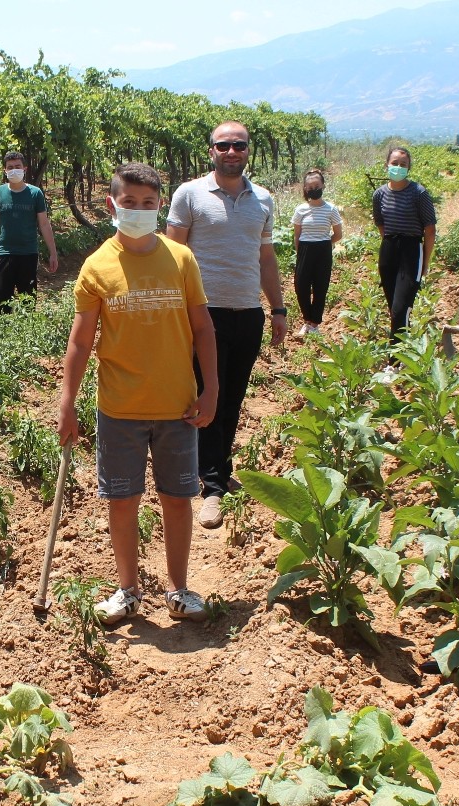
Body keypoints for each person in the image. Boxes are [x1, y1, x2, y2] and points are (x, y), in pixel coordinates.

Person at [56, 162, 219, 625]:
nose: (139, 210)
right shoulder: (97, 266)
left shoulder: (181, 259)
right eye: (130, 202)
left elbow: (203, 329)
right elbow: (80, 342)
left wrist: (211, 389)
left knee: (177, 499)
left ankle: (179, 590)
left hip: (177, 407)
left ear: (160, 205)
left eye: (148, 203)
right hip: (119, 409)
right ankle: (127, 591)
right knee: (122, 502)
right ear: (112, 205)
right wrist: (67, 402)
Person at [166, 120, 287, 530]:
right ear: (211, 151)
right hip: (204, 314)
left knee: (233, 397)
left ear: (248, 150)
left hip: (247, 313)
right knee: (207, 396)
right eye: (224, 145)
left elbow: (266, 259)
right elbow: (173, 255)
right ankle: (212, 487)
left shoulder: (263, 199)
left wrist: (278, 309)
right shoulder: (189, 194)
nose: (232, 151)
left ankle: (218, 469)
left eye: (239, 145)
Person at [370, 146, 437, 342]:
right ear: (386, 165)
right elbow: (381, 223)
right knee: (394, 307)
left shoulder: (419, 193)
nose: (398, 167)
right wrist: (389, 242)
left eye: (403, 164)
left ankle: (396, 356)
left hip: (411, 250)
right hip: (389, 250)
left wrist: (425, 261)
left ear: (409, 168)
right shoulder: (379, 195)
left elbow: (430, 229)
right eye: (395, 163)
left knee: (401, 308)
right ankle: (401, 348)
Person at [0, 151, 59, 313]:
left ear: (24, 169)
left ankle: (26, 327)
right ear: (5, 170)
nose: (14, 170)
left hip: (28, 253)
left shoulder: (35, 193)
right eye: (10, 167)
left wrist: (53, 253)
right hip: (5, 253)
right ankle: (3, 327)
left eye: (17, 166)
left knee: (27, 300)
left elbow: (44, 224)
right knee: (1, 300)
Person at [290, 168, 343, 336]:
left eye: (317, 186)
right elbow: (297, 235)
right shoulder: (300, 210)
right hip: (305, 250)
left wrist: (326, 244)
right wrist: (300, 253)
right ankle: (307, 320)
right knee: (301, 286)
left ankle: (314, 324)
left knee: (320, 287)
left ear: (323, 186)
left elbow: (338, 234)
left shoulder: (331, 209)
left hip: (323, 251)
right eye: (310, 187)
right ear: (306, 189)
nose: (314, 189)